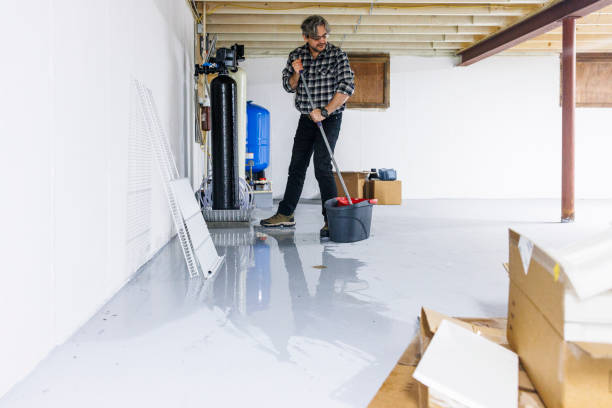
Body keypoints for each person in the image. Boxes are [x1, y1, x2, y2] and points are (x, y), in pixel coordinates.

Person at [260, 15, 355, 238]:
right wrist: (295, 72)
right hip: (306, 117)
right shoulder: (297, 55)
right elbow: (288, 86)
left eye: (324, 36)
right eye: (316, 37)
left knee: (322, 165)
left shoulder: (336, 55)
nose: (322, 41)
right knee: (297, 165)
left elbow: (347, 87)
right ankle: (285, 214)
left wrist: (324, 111)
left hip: (329, 117)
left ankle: (331, 220)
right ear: (305, 37)